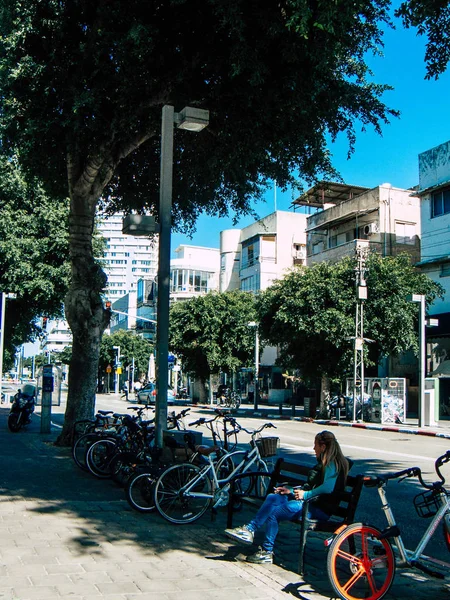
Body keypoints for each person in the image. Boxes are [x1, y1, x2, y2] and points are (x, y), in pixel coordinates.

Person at [224, 430, 349, 564]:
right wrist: (291, 490)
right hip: (310, 502)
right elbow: (313, 486)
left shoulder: (332, 464)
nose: (314, 448)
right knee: (274, 497)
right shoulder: (327, 463)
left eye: (316, 445)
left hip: (317, 509)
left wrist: (305, 494)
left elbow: (327, 488)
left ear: (323, 447)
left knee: (275, 513)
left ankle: (266, 552)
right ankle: (249, 530)